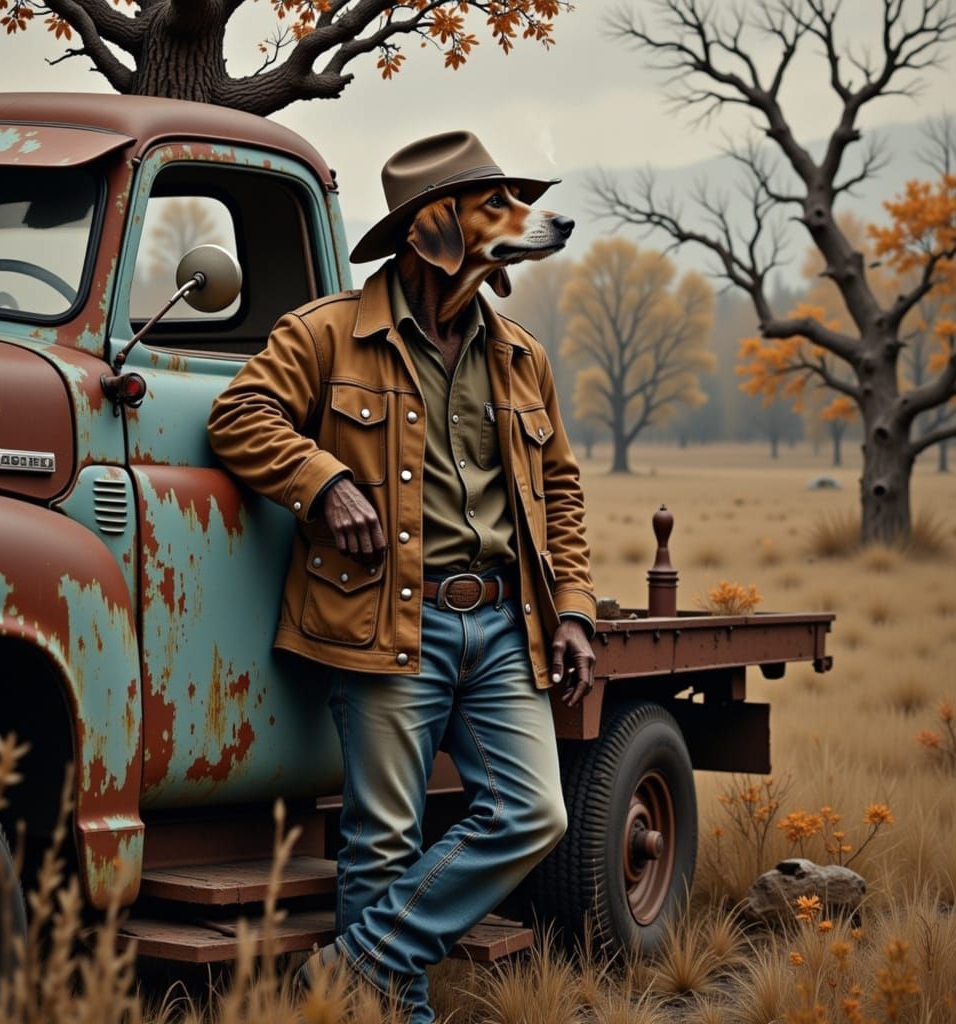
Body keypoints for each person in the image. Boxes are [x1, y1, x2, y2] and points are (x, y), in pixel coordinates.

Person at [207, 130, 595, 1023]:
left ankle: (351, 970)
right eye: (497, 207)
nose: (530, 222)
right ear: (438, 234)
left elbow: (560, 489)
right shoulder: (327, 334)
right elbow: (240, 416)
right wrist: (324, 481)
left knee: (536, 814)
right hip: (386, 619)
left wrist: (570, 603)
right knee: (382, 842)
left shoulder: (520, 354)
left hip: (503, 622)